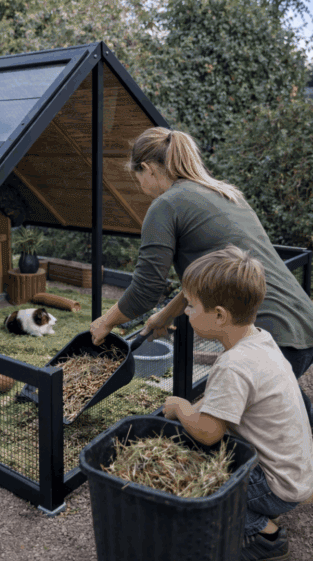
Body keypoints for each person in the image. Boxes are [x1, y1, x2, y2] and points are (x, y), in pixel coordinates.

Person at [89, 127, 313, 424]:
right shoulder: (223, 192)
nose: (140, 185)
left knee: (222, 421)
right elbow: (212, 275)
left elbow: (146, 288)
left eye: (137, 177)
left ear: (147, 169)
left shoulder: (165, 205)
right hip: (302, 321)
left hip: (271, 333)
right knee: (280, 401)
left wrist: (105, 322)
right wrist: (165, 316)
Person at [162, 246, 313, 561]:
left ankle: (266, 536)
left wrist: (179, 408)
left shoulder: (233, 365)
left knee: (202, 488)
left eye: (190, 306)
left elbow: (208, 433)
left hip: (277, 486)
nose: (186, 313)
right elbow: (222, 404)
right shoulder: (260, 340)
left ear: (219, 315)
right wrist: (199, 408)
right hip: (298, 470)